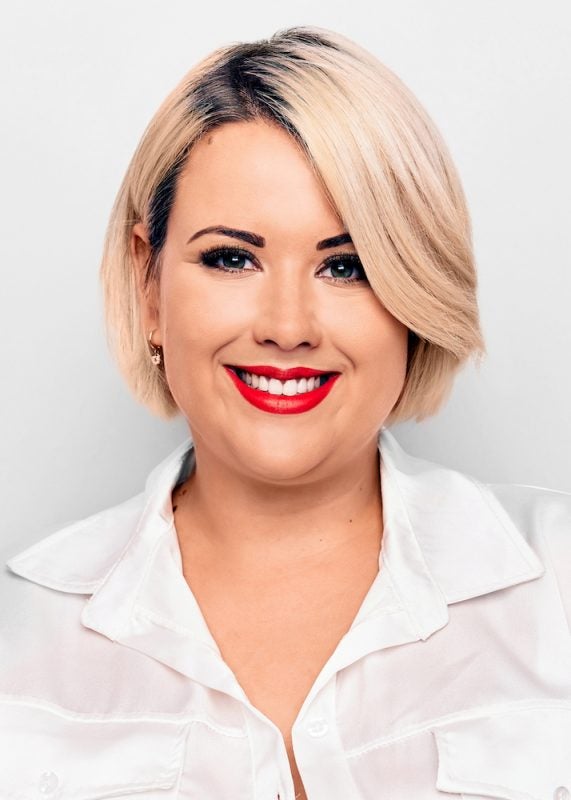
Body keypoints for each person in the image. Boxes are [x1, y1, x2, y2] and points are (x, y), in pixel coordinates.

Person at [1, 24, 570, 800]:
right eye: (231, 258)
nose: (287, 325)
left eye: (346, 266)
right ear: (149, 284)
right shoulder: (19, 634)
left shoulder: (556, 589)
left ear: (413, 292)